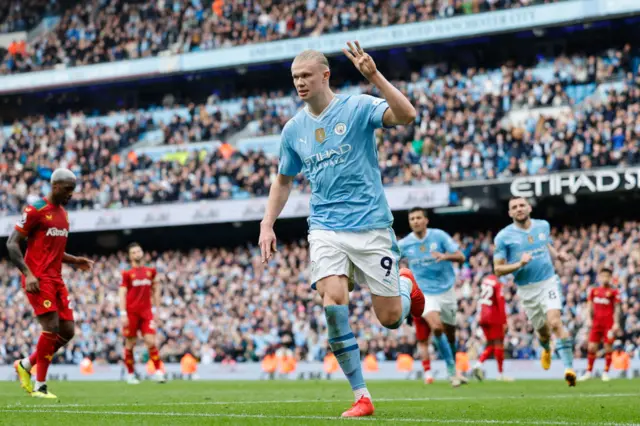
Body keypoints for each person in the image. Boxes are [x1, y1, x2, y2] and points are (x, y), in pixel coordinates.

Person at [258, 41, 424, 418]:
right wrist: (268, 223)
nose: (299, 83)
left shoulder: (358, 106)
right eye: (295, 77)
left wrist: (374, 76)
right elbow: (283, 180)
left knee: (390, 319)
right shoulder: (293, 129)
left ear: (325, 76)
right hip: (325, 227)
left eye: (306, 76)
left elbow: (407, 115)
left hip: (371, 226)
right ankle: (362, 395)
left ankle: (405, 284)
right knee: (333, 302)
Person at [7, 168, 94, 399]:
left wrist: (74, 260)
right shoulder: (35, 210)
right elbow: (12, 244)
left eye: (73, 190)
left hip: (56, 278)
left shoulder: (63, 214)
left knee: (67, 331)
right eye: (68, 190)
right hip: (37, 277)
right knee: (51, 327)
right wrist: (29, 274)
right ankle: (40, 386)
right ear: (55, 186)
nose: (71, 195)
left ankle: (26, 364)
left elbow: (54, 250)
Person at [493, 197, 576, 386]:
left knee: (555, 321)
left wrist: (558, 255)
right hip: (526, 289)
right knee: (543, 331)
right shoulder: (503, 237)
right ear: (510, 213)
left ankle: (569, 369)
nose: (519, 209)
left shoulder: (543, 226)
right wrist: (519, 264)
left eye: (522, 205)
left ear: (529, 208)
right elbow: (497, 269)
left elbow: (546, 244)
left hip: (548, 282)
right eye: (514, 207)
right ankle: (546, 347)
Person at [398, 207, 467, 387]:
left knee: (450, 334)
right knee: (436, 327)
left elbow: (461, 257)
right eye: (412, 218)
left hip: (446, 290)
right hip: (424, 293)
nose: (415, 221)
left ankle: (455, 367)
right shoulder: (405, 244)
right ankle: (452, 371)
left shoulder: (439, 236)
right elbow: (390, 258)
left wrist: (445, 256)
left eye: (419, 217)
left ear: (426, 220)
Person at [120, 242, 165, 384]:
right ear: (130, 256)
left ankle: (158, 372)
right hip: (131, 312)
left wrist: (157, 309)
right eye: (133, 252)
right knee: (130, 343)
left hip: (146, 312)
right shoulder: (127, 273)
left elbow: (156, 289)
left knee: (151, 341)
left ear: (142, 253)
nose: (137, 254)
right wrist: (122, 313)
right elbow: (122, 293)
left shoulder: (151, 271)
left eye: (138, 251)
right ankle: (130, 374)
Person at [579, 267, 621, 382]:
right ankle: (588, 372)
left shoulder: (614, 292)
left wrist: (616, 323)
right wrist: (588, 319)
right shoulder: (594, 291)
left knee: (608, 348)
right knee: (592, 347)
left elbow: (617, 308)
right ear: (599, 277)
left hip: (608, 324)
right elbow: (589, 307)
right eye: (603, 276)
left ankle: (606, 372)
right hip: (596, 323)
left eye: (607, 276)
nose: (605, 278)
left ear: (610, 278)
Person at [472, 274, 512, 381]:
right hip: (494, 316)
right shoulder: (498, 284)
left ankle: (478, 365)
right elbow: (501, 302)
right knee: (499, 344)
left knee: (491, 344)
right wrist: (504, 321)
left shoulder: (485, 280)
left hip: (483, 315)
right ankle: (500, 374)